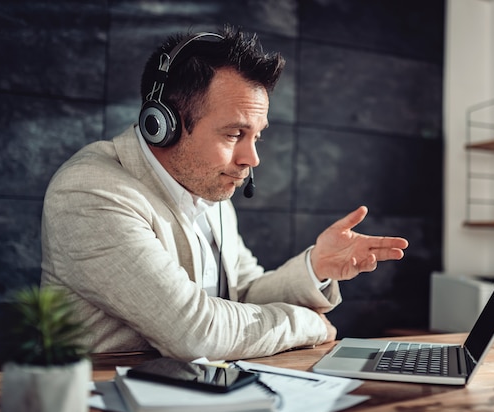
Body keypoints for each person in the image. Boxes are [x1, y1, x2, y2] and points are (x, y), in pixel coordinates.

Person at [40, 25, 409, 361]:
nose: (252, 158)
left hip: (201, 392)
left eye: (256, 136)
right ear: (162, 123)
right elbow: (195, 333)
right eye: (234, 134)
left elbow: (243, 296)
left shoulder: (209, 190)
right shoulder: (90, 192)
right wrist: (308, 324)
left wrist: (315, 268)